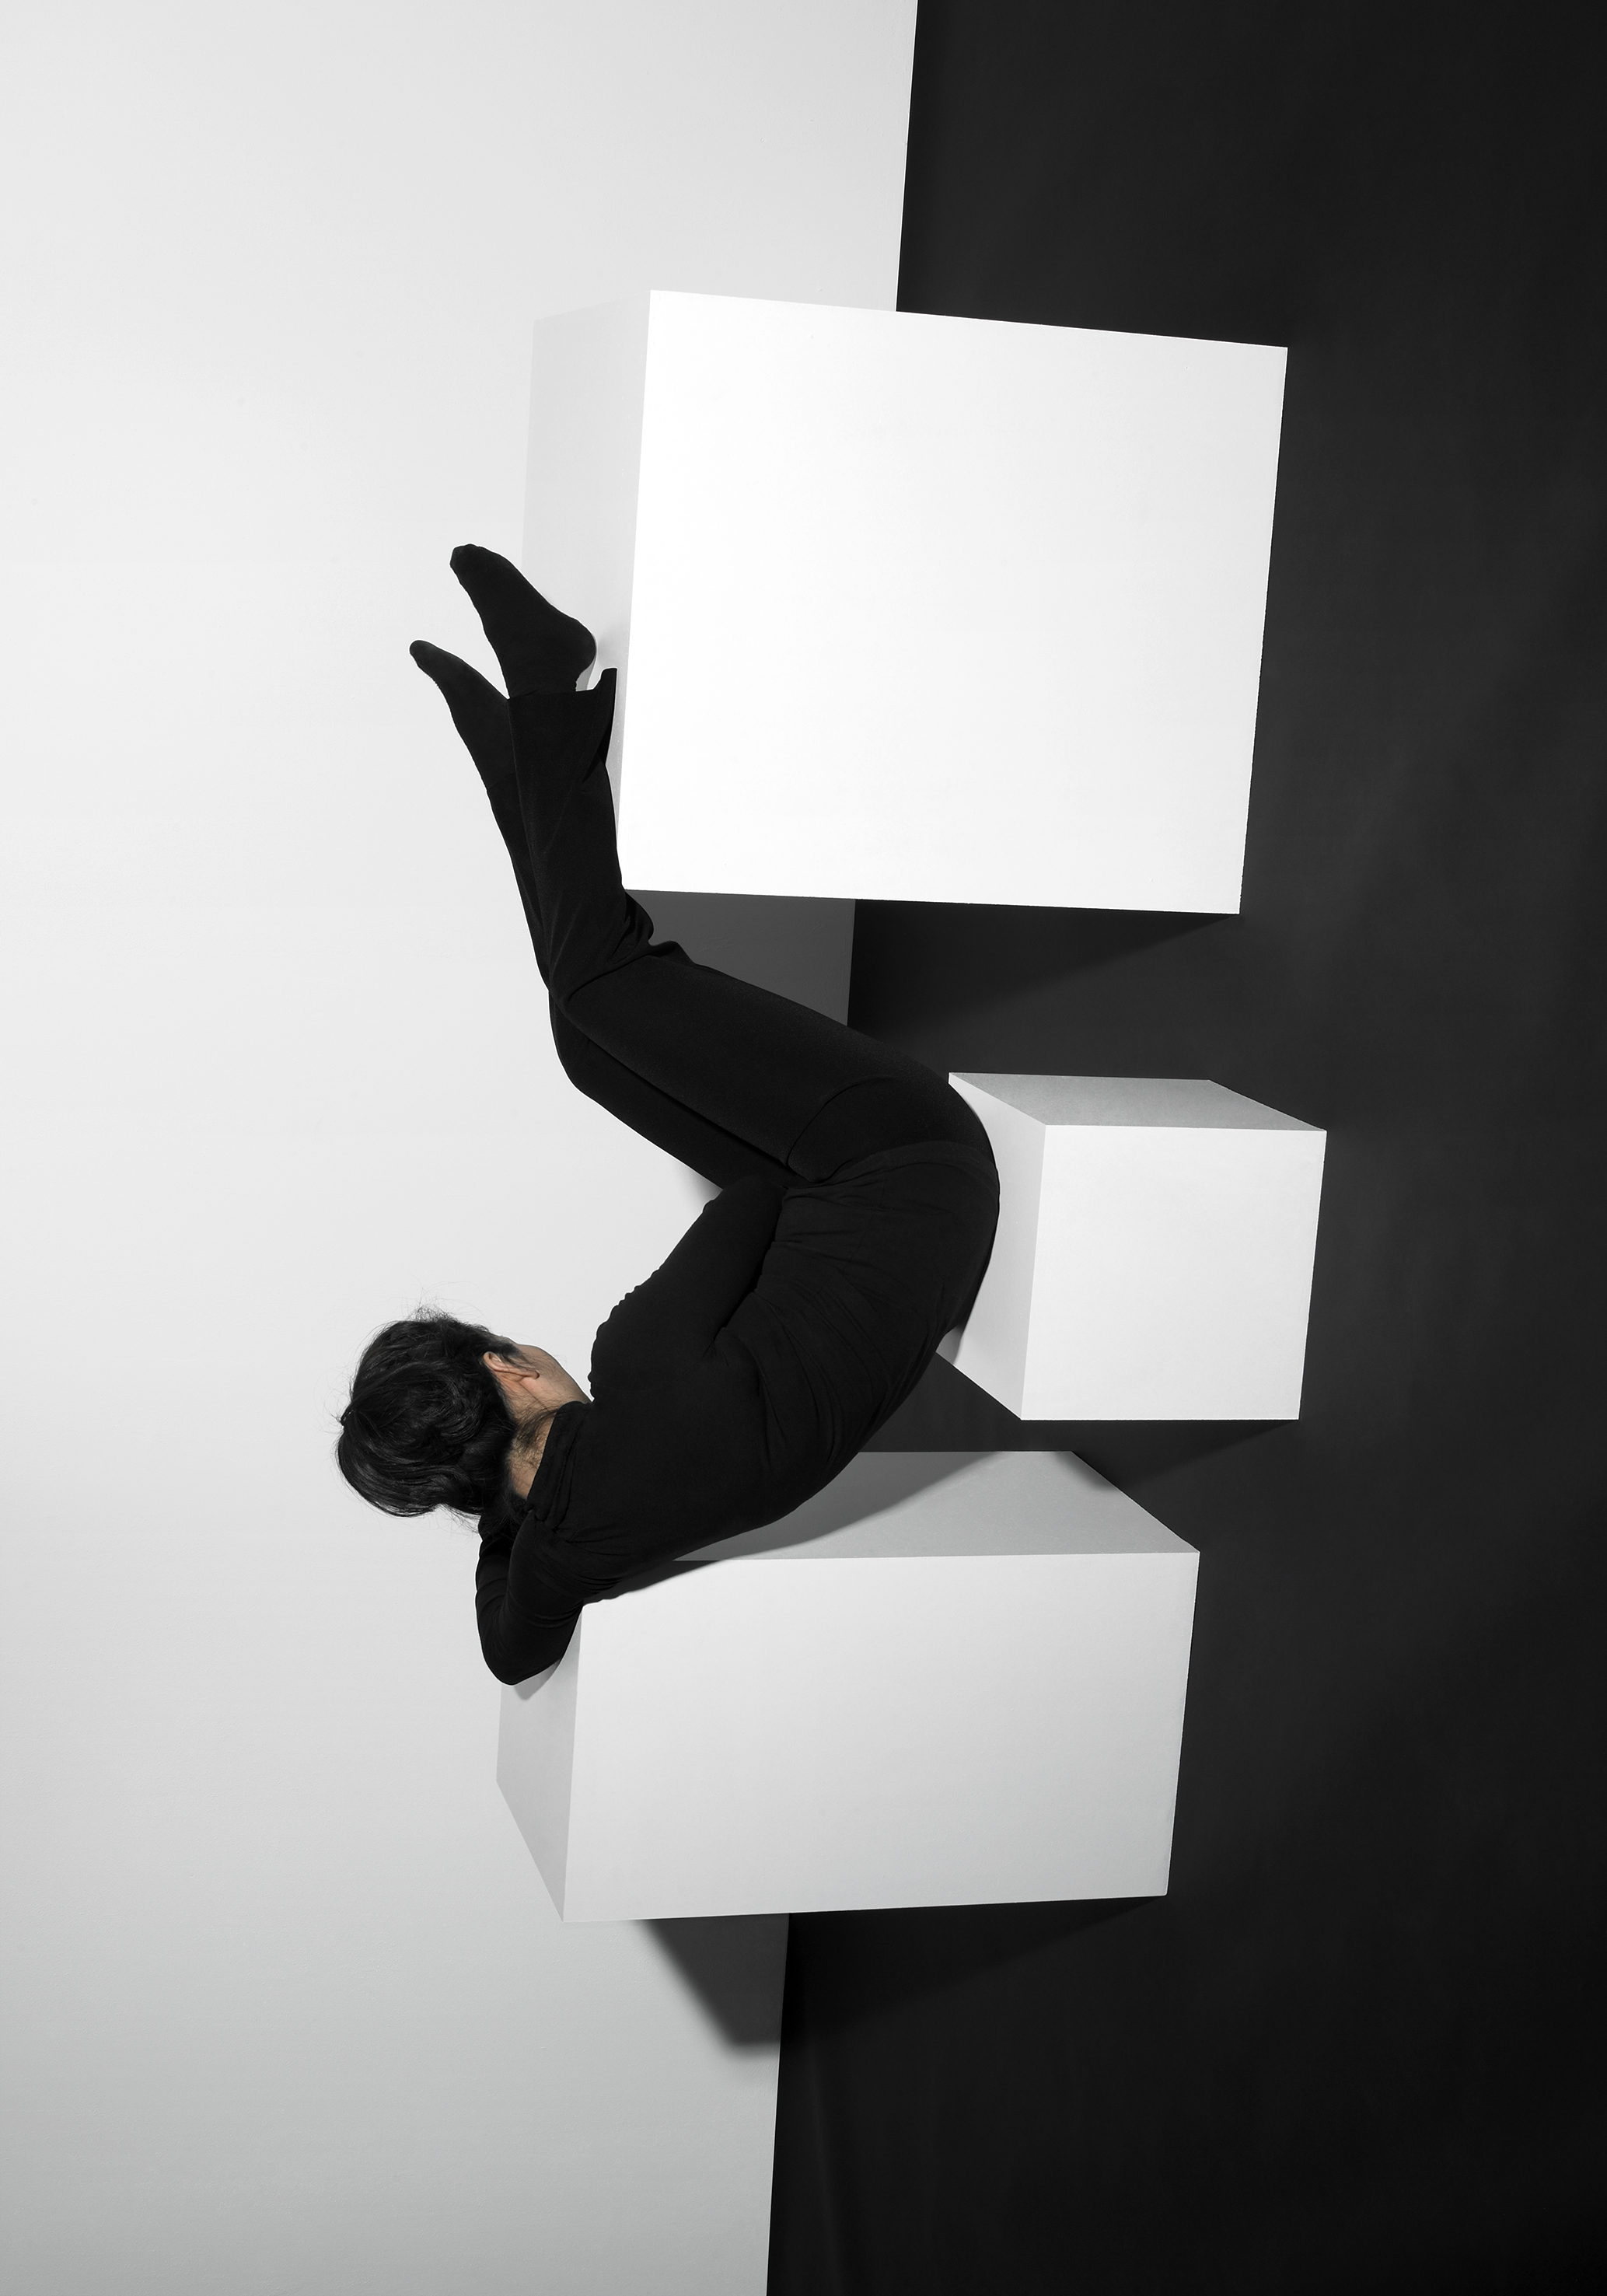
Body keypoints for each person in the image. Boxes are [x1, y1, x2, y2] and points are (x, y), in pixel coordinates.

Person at [337, 547, 999, 1683]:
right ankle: (544, 699)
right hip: (905, 1155)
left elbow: (510, 1649)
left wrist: (507, 1505)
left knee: (584, 1047)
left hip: (915, 1230)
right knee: (604, 987)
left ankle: (525, 761)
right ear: (508, 1370)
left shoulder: (582, 1546)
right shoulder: (636, 1357)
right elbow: (754, 1198)